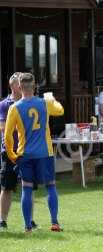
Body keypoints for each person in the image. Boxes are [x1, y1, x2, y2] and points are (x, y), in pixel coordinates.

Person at [4, 73, 64, 233]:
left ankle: (28, 227)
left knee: (27, 188)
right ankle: (54, 222)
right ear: (34, 85)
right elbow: (60, 110)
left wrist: (12, 155)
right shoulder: (45, 103)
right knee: (50, 186)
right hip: (45, 152)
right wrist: (52, 99)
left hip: (25, 154)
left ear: (19, 87)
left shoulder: (14, 108)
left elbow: (7, 135)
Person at [0, 73, 37, 230]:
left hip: (27, 152)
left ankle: (30, 221)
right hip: (9, 152)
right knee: (6, 187)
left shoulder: (30, 103)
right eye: (19, 83)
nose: (22, 86)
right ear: (12, 86)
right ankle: (2, 220)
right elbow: (2, 128)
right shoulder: (4, 104)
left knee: (28, 186)